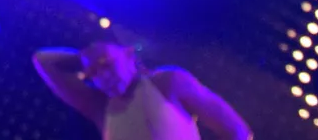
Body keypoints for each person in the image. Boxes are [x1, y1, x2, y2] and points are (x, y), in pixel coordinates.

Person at [34, 41, 253, 140]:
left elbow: (236, 131)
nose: (103, 76)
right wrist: (86, 56)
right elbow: (42, 60)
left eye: (107, 64)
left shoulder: (168, 82)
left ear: (129, 55)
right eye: (93, 74)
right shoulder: (99, 108)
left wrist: (95, 54)